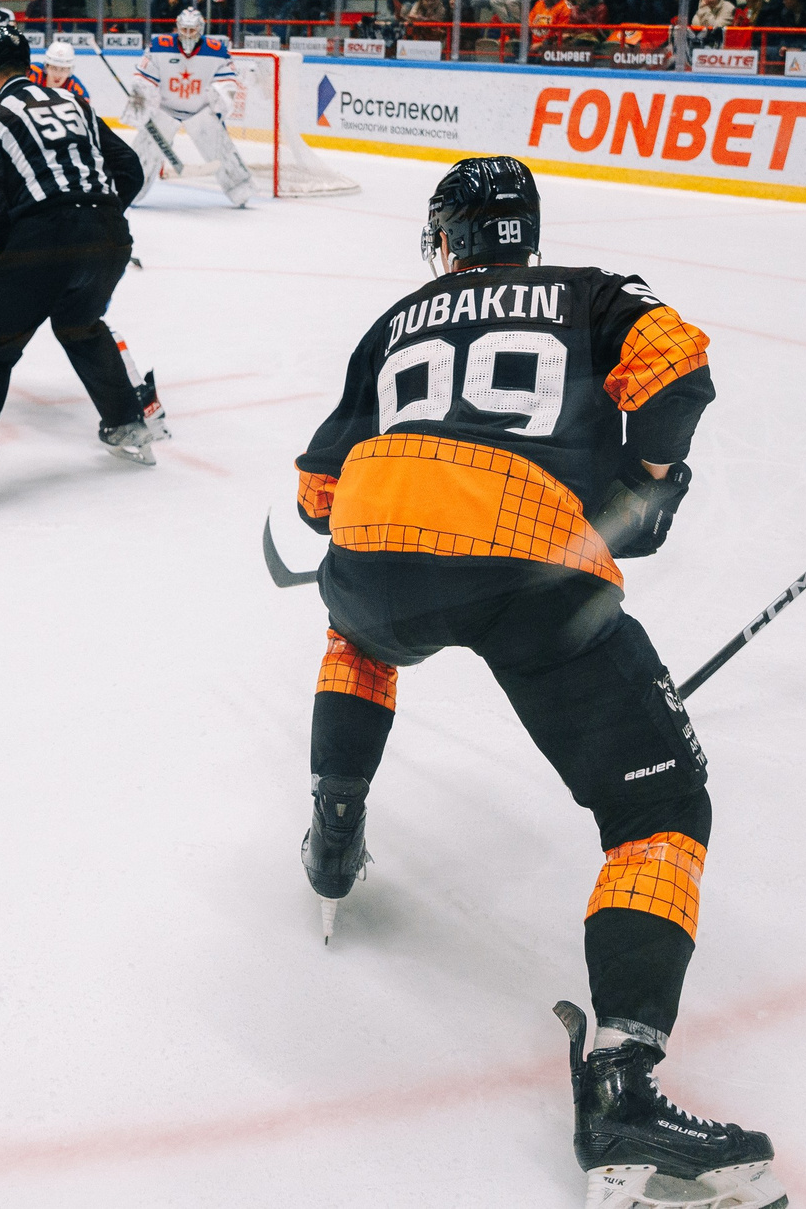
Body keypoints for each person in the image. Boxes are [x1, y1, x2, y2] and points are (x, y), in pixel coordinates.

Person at [281, 157, 778, 1207]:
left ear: (448, 238)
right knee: (656, 812)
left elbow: (317, 490)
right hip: (529, 558)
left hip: (374, 539)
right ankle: (623, 1089)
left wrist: (386, 515)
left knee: (358, 642)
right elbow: (678, 371)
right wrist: (643, 479)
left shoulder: (398, 318)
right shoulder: (592, 292)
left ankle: (334, 833)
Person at [0, 22, 153, 509]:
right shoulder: (74, 102)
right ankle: (130, 425)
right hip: (109, 238)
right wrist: (103, 217)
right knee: (81, 325)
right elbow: (129, 168)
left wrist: (24, 247)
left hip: (40, 242)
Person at [126, 5, 253, 206]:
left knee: (222, 151)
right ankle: (129, 191)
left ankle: (240, 191)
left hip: (200, 111)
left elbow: (229, 81)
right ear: (177, 27)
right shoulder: (159, 46)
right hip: (165, 110)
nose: (187, 34)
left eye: (191, 30)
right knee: (144, 152)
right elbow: (144, 77)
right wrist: (141, 98)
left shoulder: (216, 51)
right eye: (183, 29)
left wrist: (220, 99)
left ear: (200, 29)